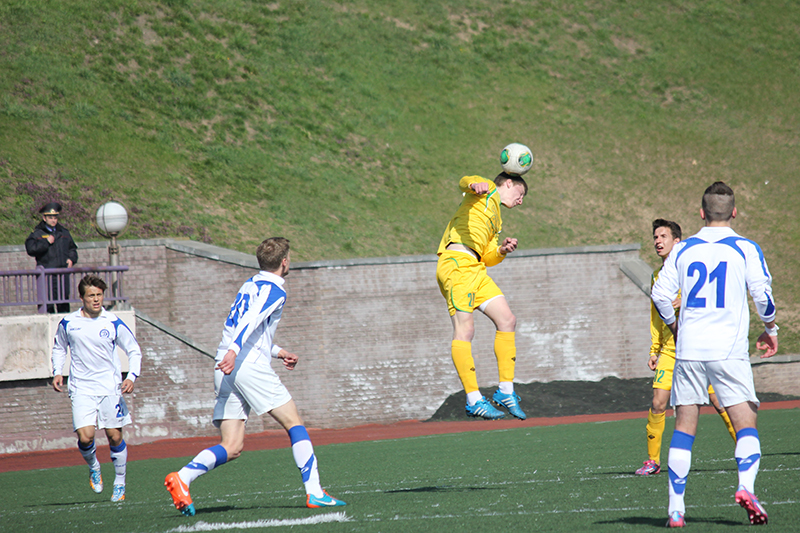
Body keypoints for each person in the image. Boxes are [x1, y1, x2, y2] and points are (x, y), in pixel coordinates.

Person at [164, 237, 345, 516]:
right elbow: (249, 323)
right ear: (284, 261)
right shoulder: (275, 291)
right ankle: (316, 493)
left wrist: (277, 351)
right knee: (294, 423)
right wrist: (235, 352)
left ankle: (183, 477)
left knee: (232, 446)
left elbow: (246, 329)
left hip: (224, 365)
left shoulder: (250, 284)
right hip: (244, 365)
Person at [651, 182, 778, 527]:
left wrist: (675, 325)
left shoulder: (683, 249)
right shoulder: (746, 248)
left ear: (701, 213)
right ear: (734, 212)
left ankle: (676, 509)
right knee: (745, 420)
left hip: (689, 349)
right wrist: (770, 329)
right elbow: (763, 297)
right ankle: (746, 487)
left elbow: (660, 294)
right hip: (728, 350)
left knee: (684, 426)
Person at [635, 219, 736, 477]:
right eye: (655, 237)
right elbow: (656, 316)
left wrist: (686, 300)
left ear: (677, 241)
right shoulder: (656, 276)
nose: (658, 241)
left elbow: (713, 297)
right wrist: (654, 349)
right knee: (658, 402)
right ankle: (652, 461)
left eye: (663, 236)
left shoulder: (691, 269)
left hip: (698, 347)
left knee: (718, 401)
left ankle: (745, 448)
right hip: (670, 351)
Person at [436, 171, 528, 420]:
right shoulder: (486, 189)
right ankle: (474, 399)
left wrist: (501, 250)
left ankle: (505, 391)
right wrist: (474, 184)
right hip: (457, 264)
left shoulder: (496, 217)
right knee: (465, 330)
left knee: (507, 320)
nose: (521, 201)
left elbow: (487, 256)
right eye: (520, 193)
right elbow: (463, 181)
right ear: (508, 183)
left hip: (476, 269)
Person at [51, 275, 142, 503]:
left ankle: (119, 483)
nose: (96, 299)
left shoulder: (112, 322)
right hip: (81, 387)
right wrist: (57, 371)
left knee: (114, 436)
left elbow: (134, 350)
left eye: (99, 295)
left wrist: (131, 376)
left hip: (109, 388)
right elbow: (59, 348)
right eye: (91, 295)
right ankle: (94, 466)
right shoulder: (68, 323)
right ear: (81, 297)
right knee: (85, 437)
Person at [25, 202, 78, 313]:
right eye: (50, 217)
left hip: (62, 273)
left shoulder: (64, 232)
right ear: (44, 218)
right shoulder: (37, 234)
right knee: (47, 303)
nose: (53, 220)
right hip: (47, 274)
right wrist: (46, 242)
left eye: (55, 217)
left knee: (63, 302)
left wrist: (71, 259)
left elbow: (72, 249)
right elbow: (31, 249)